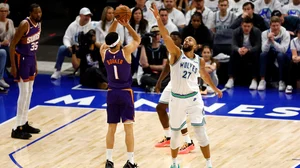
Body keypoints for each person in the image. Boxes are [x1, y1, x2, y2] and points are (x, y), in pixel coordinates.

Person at [151, 4, 222, 168]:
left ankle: (208, 163)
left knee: (201, 133)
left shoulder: (199, 60)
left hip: (194, 98)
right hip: (177, 99)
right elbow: (166, 36)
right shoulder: (176, 54)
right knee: (175, 134)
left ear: (196, 46)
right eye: (186, 39)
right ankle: (175, 163)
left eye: (191, 39)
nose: (187, 40)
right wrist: (158, 19)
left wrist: (216, 88)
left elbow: (204, 75)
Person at [100, 16, 141, 168]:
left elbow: (107, 39)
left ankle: (109, 160)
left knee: (111, 127)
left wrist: (115, 22)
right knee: (128, 128)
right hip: (125, 92)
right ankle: (130, 161)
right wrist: (127, 25)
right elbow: (137, 39)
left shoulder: (104, 52)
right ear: (118, 42)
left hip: (111, 92)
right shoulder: (126, 52)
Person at [154, 31, 195, 155]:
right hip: (173, 83)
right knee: (160, 108)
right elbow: (168, 67)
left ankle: (188, 142)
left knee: (176, 113)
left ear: (180, 41)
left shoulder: (182, 53)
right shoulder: (172, 52)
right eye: (170, 38)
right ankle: (168, 136)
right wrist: (159, 81)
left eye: (175, 39)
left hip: (182, 85)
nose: (171, 40)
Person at [9, 3, 42, 139]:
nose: (38, 15)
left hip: (30, 59)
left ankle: (24, 122)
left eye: (40, 12)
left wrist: (35, 63)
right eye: (36, 13)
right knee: (24, 93)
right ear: (30, 13)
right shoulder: (25, 24)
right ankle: (17, 127)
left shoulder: (39, 25)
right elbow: (12, 45)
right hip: (21, 60)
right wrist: (13, 66)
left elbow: (33, 47)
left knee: (30, 92)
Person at [0, 2, 15, 89]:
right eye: (2, 11)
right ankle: (1, 77)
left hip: (9, 45)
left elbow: (13, 35)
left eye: (6, 11)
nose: (4, 13)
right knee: (3, 51)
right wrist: (2, 43)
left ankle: (15, 71)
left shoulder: (10, 21)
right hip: (2, 46)